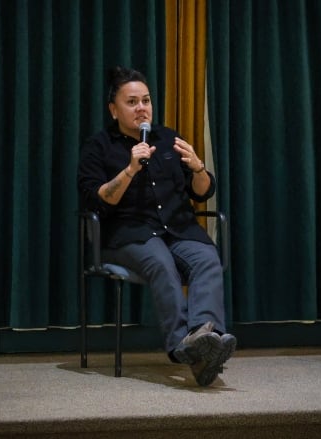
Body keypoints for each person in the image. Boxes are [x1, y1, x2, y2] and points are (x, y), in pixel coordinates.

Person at [77, 66, 236, 386]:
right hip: (127, 234)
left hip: (177, 230)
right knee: (161, 263)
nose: (141, 108)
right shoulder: (99, 146)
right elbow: (97, 201)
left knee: (207, 257)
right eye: (132, 102)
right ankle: (183, 347)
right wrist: (130, 169)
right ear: (114, 109)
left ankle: (207, 338)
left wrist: (198, 167)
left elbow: (203, 192)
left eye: (146, 101)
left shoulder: (169, 138)